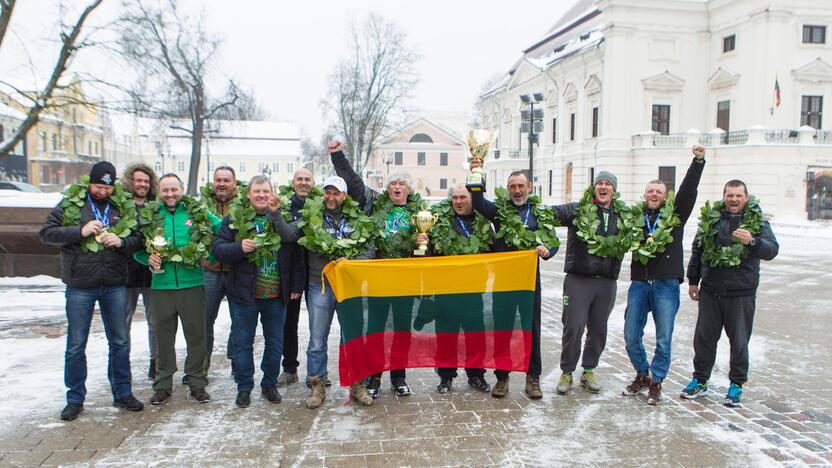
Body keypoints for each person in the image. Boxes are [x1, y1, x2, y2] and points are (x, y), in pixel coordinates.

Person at [40, 161, 145, 420]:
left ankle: (122, 392)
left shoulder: (122, 206)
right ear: (90, 184)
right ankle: (75, 398)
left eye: (107, 187)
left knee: (119, 342)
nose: (103, 192)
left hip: (114, 283)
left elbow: (139, 239)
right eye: (98, 186)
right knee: (76, 344)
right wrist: (80, 231)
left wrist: (121, 241)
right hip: (80, 285)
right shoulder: (71, 204)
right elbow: (47, 233)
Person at [330, 141, 425, 398]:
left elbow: (432, 245)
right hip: (378, 280)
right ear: (387, 188)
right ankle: (374, 377)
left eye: (402, 184)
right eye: (393, 183)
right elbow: (354, 182)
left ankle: (399, 377)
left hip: (405, 280)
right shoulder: (374, 204)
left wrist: (423, 242)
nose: (397, 187)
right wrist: (337, 155)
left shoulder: (421, 212)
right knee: (377, 330)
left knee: (402, 331)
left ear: (408, 189)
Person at [272, 175, 375, 409]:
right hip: (321, 284)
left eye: (336, 193)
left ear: (344, 196)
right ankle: (317, 384)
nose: (331, 197)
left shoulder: (358, 218)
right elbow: (289, 235)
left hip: (350, 285)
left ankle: (358, 383)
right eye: (327, 192)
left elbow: (369, 249)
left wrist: (351, 260)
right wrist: (276, 214)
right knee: (317, 340)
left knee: (354, 337)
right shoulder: (312, 217)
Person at [681, 180, 778, 407]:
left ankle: (736, 384)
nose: (734, 199)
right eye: (730, 195)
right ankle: (700, 380)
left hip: (741, 292)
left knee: (739, 341)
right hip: (711, 291)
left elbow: (772, 250)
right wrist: (693, 280)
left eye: (738, 195)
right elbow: (698, 250)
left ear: (746, 197)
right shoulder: (712, 219)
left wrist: (753, 242)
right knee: (704, 339)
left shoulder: (757, 221)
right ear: (724, 196)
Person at [622, 146, 706, 405]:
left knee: (663, 337)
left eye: (659, 191)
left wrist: (698, 162)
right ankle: (642, 374)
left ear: (666, 196)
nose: (654, 194)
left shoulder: (675, 216)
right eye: (650, 191)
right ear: (644, 195)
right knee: (630, 334)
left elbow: (687, 192)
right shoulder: (635, 218)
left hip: (666, 284)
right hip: (639, 283)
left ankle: (656, 381)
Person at [212, 175, 305, 407]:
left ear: (272, 193)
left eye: (266, 191)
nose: (262, 195)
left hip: (276, 295)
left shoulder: (282, 218)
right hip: (244, 295)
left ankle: (269, 383)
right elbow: (218, 249)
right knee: (243, 343)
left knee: (275, 342)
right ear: (248, 194)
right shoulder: (234, 220)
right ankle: (244, 387)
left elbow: (295, 256)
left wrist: (295, 286)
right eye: (257, 191)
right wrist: (239, 247)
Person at [469, 164, 559, 399]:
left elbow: (553, 241)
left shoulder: (539, 212)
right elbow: (478, 203)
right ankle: (502, 378)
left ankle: (533, 378)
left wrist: (547, 250)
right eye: (512, 187)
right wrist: (476, 172)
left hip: (530, 282)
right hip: (504, 283)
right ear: (507, 189)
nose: (517, 190)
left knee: (532, 329)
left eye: (521, 186)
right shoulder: (499, 210)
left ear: (529, 187)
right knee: (503, 331)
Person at [134, 173, 222, 405]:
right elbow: (135, 244)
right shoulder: (151, 215)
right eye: (165, 190)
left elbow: (222, 228)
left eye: (174, 189)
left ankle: (197, 382)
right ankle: (163, 384)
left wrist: (209, 254)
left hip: (192, 283)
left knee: (196, 336)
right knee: (163, 337)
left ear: (182, 189)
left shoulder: (196, 211)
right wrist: (147, 258)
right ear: (159, 192)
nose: (170, 194)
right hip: (161, 286)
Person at [551, 171, 629, 396]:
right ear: (594, 187)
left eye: (608, 184)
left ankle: (588, 371)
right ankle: (567, 372)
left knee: (598, 330)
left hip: (606, 282)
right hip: (579, 279)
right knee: (573, 326)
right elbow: (551, 214)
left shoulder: (623, 215)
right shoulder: (579, 210)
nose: (603, 187)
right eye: (600, 183)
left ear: (614, 189)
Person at [431, 183, 494, 394]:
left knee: (475, 335)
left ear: (471, 200)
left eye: (463, 198)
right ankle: (446, 377)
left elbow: (494, 251)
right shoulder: (439, 221)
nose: (458, 201)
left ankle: (476, 375)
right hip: (446, 289)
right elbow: (430, 252)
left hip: (473, 288)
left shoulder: (483, 221)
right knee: (446, 335)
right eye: (455, 198)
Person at [277, 168, 315, 388]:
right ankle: (290, 368)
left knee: (317, 324)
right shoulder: (285, 205)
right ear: (293, 183)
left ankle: (317, 372)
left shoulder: (321, 204)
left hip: (316, 271)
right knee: (289, 323)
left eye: (307, 179)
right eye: (299, 179)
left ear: (313, 183)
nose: (303, 183)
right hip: (291, 272)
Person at [122, 163, 159, 379]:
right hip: (125, 271)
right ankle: (122, 362)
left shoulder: (155, 205)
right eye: (138, 180)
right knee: (123, 320)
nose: (142, 184)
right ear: (130, 182)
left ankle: (155, 361)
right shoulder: (122, 204)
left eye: (146, 181)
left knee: (154, 319)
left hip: (151, 271)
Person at [201, 166, 239, 379]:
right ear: (213, 182)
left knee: (238, 320)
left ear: (234, 184)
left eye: (226, 180)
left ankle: (237, 363)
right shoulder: (201, 206)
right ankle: (201, 366)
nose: (222, 184)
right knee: (205, 320)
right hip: (210, 271)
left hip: (235, 270)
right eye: (218, 180)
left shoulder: (243, 206)